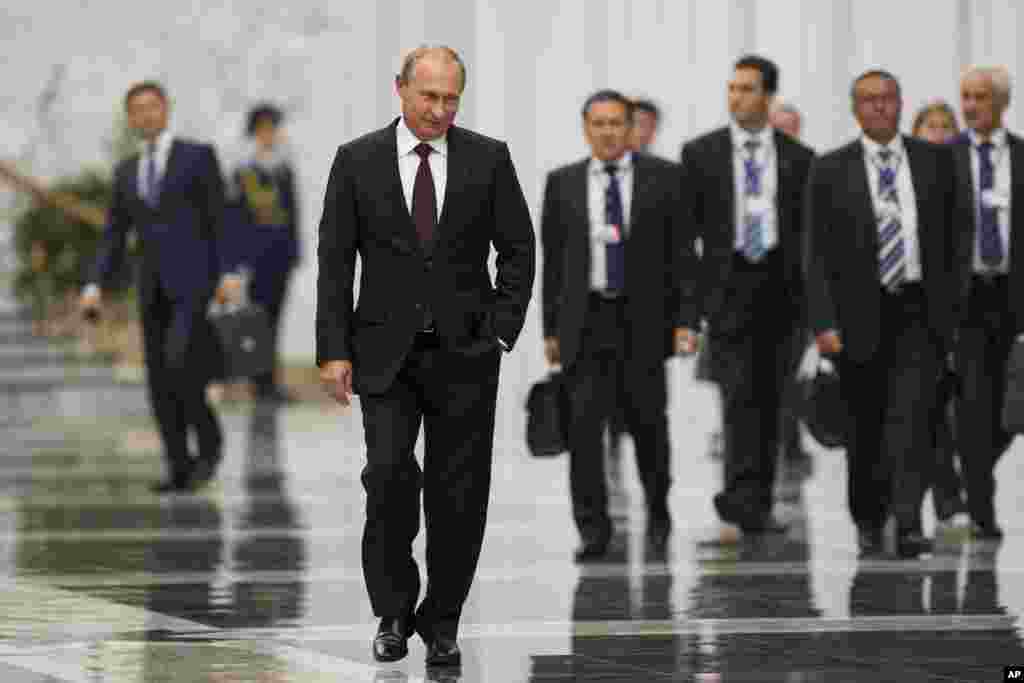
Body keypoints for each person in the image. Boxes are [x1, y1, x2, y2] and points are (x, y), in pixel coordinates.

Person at [316, 46, 535, 668]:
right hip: (384, 354)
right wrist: (332, 350)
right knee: (387, 477)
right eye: (428, 96)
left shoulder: (488, 159)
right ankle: (392, 609)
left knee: (458, 493)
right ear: (401, 89)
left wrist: (500, 330)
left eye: (450, 99)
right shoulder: (356, 160)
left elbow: (518, 249)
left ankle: (443, 620)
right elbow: (335, 262)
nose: (439, 110)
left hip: (465, 354)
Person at [804, 69, 962, 558]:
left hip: (919, 311)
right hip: (858, 314)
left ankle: (908, 520)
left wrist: (952, 311)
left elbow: (957, 237)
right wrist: (823, 323)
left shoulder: (935, 162)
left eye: (887, 98)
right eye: (869, 100)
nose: (879, 107)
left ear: (900, 104)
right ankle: (869, 516)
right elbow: (815, 254)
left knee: (915, 419)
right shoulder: (830, 169)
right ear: (855, 109)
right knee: (866, 425)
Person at [541, 89, 695, 561]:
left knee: (649, 427)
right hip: (584, 322)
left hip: (642, 321)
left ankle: (658, 513)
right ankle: (592, 528)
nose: (607, 132)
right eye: (599, 124)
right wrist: (551, 330)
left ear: (630, 128)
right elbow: (554, 263)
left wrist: (686, 321)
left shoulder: (665, 178)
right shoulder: (562, 183)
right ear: (585, 129)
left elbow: (683, 257)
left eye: (616, 123)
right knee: (584, 432)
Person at [79, 81, 240, 493]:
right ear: (130, 118)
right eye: (137, 109)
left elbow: (220, 218)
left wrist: (228, 273)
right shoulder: (126, 171)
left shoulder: (197, 156)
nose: (146, 114)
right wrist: (94, 285)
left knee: (180, 363)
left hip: (194, 284)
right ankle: (178, 465)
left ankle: (209, 445)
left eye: (152, 106)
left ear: (166, 109)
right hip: (150, 288)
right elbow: (114, 235)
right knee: (159, 378)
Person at [681, 55, 814, 535]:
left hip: (782, 292)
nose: (736, 97)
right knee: (738, 399)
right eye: (732, 88)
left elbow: (809, 238)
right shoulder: (701, 154)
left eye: (747, 89)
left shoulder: (800, 159)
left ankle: (756, 499)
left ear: (768, 96)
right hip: (729, 289)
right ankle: (740, 496)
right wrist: (690, 310)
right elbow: (686, 236)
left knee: (774, 402)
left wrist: (816, 311)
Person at [950, 65, 1022, 540]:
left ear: (1002, 103)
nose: (971, 106)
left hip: (1013, 294)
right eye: (966, 97)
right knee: (974, 401)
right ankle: (980, 502)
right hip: (967, 297)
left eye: (980, 97)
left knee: (1010, 409)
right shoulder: (944, 159)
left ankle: (974, 466)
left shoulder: (1021, 156)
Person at [911, 99, 966, 530]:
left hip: (967, 308)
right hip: (917, 310)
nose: (940, 133)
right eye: (931, 125)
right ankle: (945, 497)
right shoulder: (904, 179)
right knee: (929, 406)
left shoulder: (969, 177)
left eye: (947, 126)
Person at [226, 103, 301, 403]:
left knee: (274, 319)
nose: (269, 134)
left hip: (279, 258)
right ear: (254, 133)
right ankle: (260, 384)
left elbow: (292, 214)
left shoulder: (283, 169)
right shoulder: (243, 171)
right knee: (256, 321)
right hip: (253, 260)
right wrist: (235, 262)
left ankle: (268, 383)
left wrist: (294, 252)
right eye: (263, 129)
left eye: (273, 129)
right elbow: (234, 219)